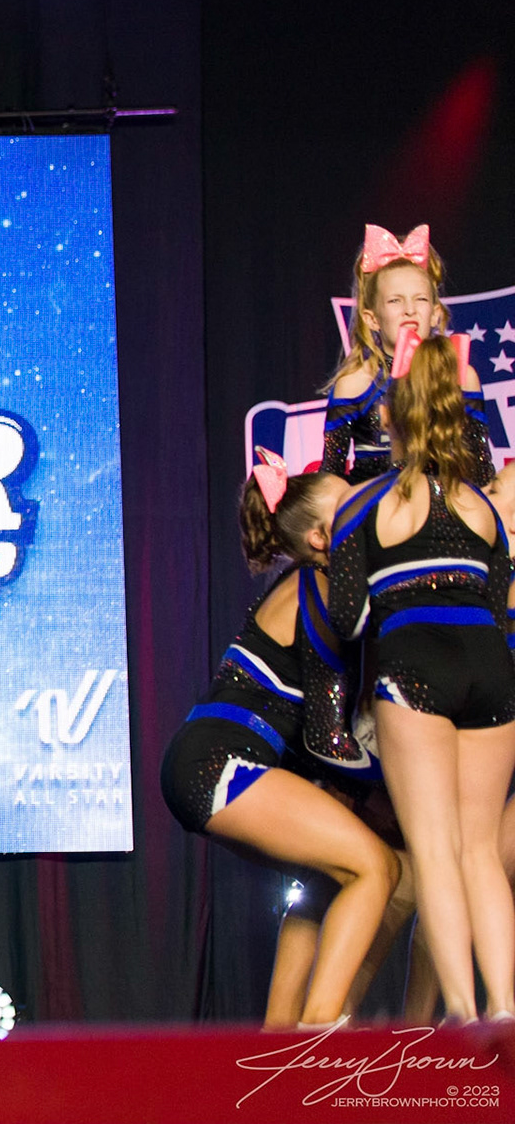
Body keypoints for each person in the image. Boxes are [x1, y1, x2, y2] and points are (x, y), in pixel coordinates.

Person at [161, 453, 398, 1026]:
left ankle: (279, 1039)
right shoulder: (317, 588)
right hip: (219, 761)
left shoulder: (321, 585)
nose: (366, 510)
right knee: (376, 867)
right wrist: (401, 784)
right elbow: (325, 741)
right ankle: (320, 1030)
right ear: (320, 539)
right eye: (350, 506)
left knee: (329, 876)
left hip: (215, 758)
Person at [327, 332, 515, 1023]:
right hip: (491, 670)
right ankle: (506, 1006)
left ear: (388, 417)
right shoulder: (482, 506)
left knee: (434, 853)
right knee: (480, 852)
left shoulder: (363, 504)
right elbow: (497, 601)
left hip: (416, 667)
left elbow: (348, 619)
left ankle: (462, 1011)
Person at [320, 225, 491, 485]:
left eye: (420, 299)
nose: (409, 310)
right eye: (395, 301)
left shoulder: (461, 376)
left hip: (448, 501)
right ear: (371, 318)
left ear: (435, 313)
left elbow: (482, 471)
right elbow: (330, 478)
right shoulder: (355, 384)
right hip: (376, 503)